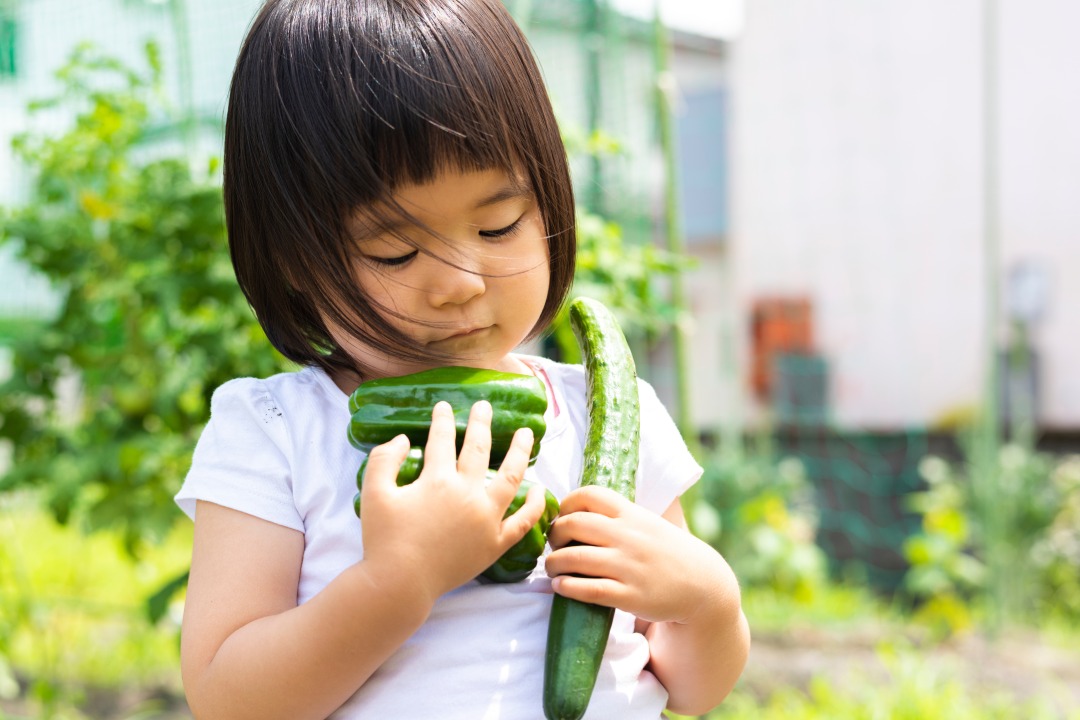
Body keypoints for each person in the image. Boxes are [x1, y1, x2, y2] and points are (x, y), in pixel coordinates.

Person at [174, 0, 750, 718]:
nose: (460, 283)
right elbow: (230, 699)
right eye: (394, 249)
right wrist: (398, 582)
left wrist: (708, 602)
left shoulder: (598, 416)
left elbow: (693, 687)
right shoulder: (274, 431)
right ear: (293, 258)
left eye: (498, 224)